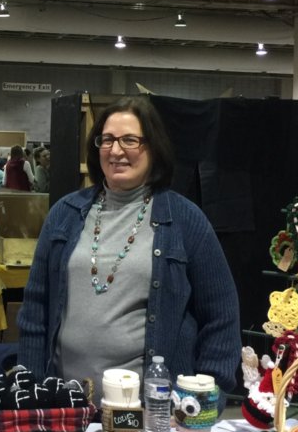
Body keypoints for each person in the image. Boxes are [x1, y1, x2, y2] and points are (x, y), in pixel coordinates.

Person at [17, 96, 241, 396]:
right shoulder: (65, 214)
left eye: (130, 140)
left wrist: (207, 396)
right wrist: (30, 390)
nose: (116, 150)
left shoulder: (185, 220)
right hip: (65, 405)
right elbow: (35, 310)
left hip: (152, 411)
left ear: (154, 148)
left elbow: (222, 315)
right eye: (107, 140)